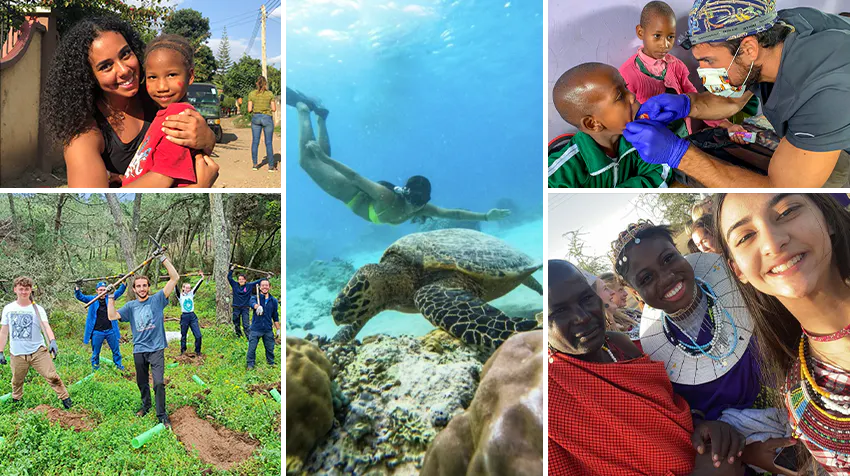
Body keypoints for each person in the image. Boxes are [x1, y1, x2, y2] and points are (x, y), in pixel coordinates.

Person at [612, 220, 795, 474]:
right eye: (646, 278)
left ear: (680, 253)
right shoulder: (655, 360)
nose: (665, 277)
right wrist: (746, 451)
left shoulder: (748, 290)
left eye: (668, 259)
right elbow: (696, 422)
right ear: (635, 294)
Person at [546, 260, 744, 475]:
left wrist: (701, 427)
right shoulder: (548, 400)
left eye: (585, 298)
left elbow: (668, 409)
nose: (582, 317)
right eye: (558, 312)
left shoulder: (620, 345)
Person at [624, 2, 850, 188]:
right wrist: (687, 103)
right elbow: (733, 100)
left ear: (748, 49)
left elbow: (781, 189)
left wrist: (678, 155)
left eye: (709, 61)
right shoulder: (772, 30)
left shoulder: (823, 93)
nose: (703, 73)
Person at [714, 192, 850, 474]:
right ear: (738, 269)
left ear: (827, 218)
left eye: (787, 212)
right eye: (745, 237)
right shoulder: (796, 392)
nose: (773, 244)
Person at [40, 16, 220, 188]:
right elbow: (95, 206)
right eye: (106, 66)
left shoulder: (158, 97)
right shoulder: (84, 136)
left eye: (125, 54)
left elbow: (190, 155)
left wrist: (207, 138)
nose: (124, 70)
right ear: (88, 77)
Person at [297, 102, 511, 224]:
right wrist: (325, 159)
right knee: (308, 161)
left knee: (317, 162)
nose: (415, 205)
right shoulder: (386, 195)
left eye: (421, 201)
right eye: (415, 199)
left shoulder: (420, 208)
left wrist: (486, 216)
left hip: (353, 195)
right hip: (349, 193)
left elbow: (452, 213)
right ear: (406, 192)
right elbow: (355, 177)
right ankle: (304, 111)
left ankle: (321, 119)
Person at [619, 1, 746, 139]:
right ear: (640, 32)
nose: (665, 44)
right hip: (648, 146)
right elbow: (624, 118)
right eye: (657, 36)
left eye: (670, 37)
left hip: (682, 140)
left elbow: (697, 101)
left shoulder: (676, 66)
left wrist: (726, 124)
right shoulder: (628, 73)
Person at [548, 63, 673, 188]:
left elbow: (661, 171)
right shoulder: (559, 175)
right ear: (592, 124)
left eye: (626, 87)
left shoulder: (640, 136)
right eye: (619, 96)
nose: (632, 96)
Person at [121, 35, 214, 188]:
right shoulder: (165, 113)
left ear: (190, 76)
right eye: (152, 77)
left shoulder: (179, 120)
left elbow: (161, 180)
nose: (162, 86)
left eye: (171, 75)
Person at [107, 253, 179, 428]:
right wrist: (110, 297)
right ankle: (146, 405)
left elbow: (175, 277)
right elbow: (112, 316)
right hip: (139, 349)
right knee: (142, 382)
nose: (142, 288)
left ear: (148, 287)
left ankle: (161, 414)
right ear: (134, 289)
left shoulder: (158, 299)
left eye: (144, 285)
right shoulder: (130, 306)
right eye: (138, 286)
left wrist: (163, 259)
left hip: (156, 348)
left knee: (159, 382)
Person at [0, 277, 72, 409]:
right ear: (15, 289)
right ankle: (17, 400)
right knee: (17, 381)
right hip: (17, 353)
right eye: (21, 289)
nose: (23, 292)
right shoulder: (8, 309)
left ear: (30, 290)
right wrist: (0, 351)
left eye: (26, 289)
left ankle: (66, 399)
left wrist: (52, 341)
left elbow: (46, 326)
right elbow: (4, 332)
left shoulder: (37, 309)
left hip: (38, 351)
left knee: (52, 376)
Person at [74, 280, 126, 371]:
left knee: (116, 351)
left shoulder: (110, 298)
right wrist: (77, 287)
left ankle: (118, 367)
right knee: (96, 353)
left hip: (111, 330)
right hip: (97, 332)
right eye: (100, 290)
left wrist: (124, 282)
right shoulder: (92, 299)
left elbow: (120, 291)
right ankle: (95, 369)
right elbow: (80, 296)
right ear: (97, 291)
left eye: (104, 290)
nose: (103, 292)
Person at [247, 279, 280, 370]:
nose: (265, 287)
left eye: (266, 285)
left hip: (267, 329)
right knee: (252, 348)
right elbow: (251, 303)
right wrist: (257, 306)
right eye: (263, 285)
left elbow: (275, 316)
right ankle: (250, 364)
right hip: (255, 329)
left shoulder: (273, 300)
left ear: (269, 287)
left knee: (270, 348)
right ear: (260, 287)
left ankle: (270, 363)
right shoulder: (255, 297)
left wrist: (278, 329)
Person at [248, 76, 279, 172]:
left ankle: (255, 165)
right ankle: (270, 166)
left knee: (255, 142)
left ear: (257, 83)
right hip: (267, 118)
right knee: (268, 143)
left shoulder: (252, 94)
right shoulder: (270, 94)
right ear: (265, 84)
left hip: (256, 118)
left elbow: (249, 109)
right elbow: (274, 109)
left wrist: (256, 110)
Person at [228, 266, 266, 338]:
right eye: (239, 279)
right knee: (236, 323)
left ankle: (249, 338)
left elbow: (259, 281)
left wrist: (267, 277)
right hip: (236, 307)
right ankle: (239, 336)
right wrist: (232, 269)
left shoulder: (249, 286)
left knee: (246, 324)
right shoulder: (235, 285)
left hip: (245, 308)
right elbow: (229, 278)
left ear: (245, 280)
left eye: (242, 279)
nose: (241, 281)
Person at [175, 272, 203, 355]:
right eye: (187, 288)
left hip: (192, 316)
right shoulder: (180, 296)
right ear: (183, 288)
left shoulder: (191, 294)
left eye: (189, 288)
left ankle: (197, 351)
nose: (189, 290)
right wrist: (174, 279)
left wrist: (201, 278)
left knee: (198, 336)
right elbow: (175, 287)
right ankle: (183, 351)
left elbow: (197, 286)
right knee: (183, 335)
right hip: (184, 316)